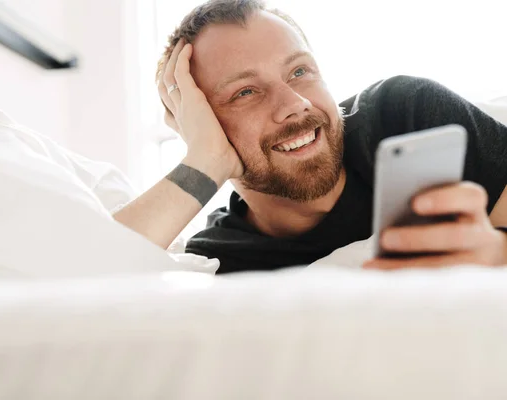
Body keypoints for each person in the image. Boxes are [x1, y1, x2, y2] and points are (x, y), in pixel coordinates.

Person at [114, 0, 507, 273]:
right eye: (244, 92)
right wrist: (204, 162)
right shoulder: (221, 257)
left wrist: (497, 252)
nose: (295, 103)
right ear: (204, 127)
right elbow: (84, 283)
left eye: (299, 71)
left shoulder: (403, 113)